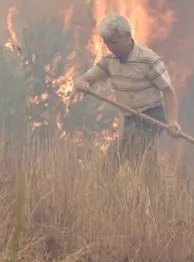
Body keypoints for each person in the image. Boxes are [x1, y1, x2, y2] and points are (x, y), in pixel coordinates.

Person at [72, 13, 182, 165]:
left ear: (128, 36)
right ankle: (151, 187)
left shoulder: (148, 60)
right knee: (142, 160)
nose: (111, 47)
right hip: (130, 118)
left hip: (152, 116)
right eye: (107, 43)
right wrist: (83, 83)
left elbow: (168, 91)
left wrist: (173, 122)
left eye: (114, 42)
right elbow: (86, 78)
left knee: (116, 156)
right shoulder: (109, 60)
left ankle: (104, 184)